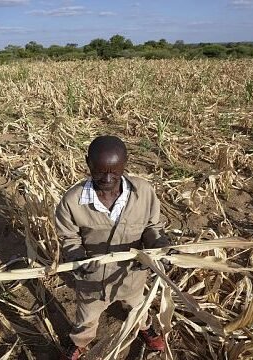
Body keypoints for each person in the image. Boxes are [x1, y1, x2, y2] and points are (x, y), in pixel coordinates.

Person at [55, 135, 169, 360]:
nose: (107, 178)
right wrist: (77, 257)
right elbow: (68, 237)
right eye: (99, 171)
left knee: (138, 307)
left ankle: (144, 327)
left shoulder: (144, 193)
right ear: (88, 162)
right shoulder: (72, 202)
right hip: (92, 280)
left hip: (132, 275)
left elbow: (152, 227)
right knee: (86, 318)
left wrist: (159, 247)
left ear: (125, 163)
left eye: (114, 172)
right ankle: (79, 342)